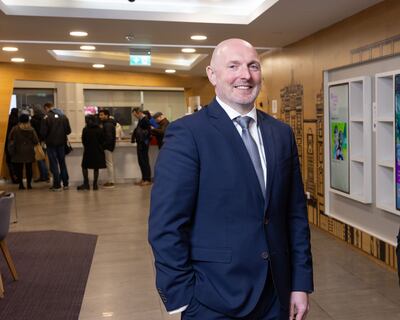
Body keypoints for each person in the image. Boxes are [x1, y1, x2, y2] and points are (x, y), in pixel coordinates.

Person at [148, 38, 313, 320]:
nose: (245, 75)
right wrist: (183, 298)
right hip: (212, 298)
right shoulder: (187, 134)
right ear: (212, 75)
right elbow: (167, 224)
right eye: (233, 66)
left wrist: (299, 283)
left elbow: (294, 215)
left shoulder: (281, 134)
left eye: (253, 66)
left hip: (276, 294)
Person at [41, 102, 71, 191]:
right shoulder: (63, 116)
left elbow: (43, 132)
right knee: (62, 163)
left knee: (54, 164)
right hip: (62, 144)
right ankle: (65, 184)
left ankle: (57, 185)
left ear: (46, 108)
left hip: (51, 145)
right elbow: (68, 131)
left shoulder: (46, 117)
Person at [8, 114, 39, 190]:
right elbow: (36, 141)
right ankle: (29, 185)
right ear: (28, 120)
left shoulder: (15, 128)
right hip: (29, 151)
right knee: (29, 168)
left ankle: (21, 185)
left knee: (19, 169)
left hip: (18, 151)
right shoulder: (31, 129)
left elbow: (10, 138)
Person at [77, 115, 106, 190]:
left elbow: (83, 141)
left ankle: (86, 184)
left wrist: (87, 146)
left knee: (84, 166)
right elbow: (103, 140)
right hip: (97, 150)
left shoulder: (85, 129)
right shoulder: (99, 129)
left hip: (88, 150)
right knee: (96, 167)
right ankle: (95, 185)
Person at [131, 107, 152, 186]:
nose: (135, 116)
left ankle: (147, 179)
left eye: (135, 114)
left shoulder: (145, 120)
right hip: (140, 143)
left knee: (144, 161)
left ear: (139, 112)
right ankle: (143, 178)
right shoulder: (141, 120)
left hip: (144, 144)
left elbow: (149, 132)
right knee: (141, 161)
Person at [30, 105, 50, 182]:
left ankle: (45, 176)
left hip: (37, 141)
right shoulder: (45, 118)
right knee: (43, 158)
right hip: (45, 141)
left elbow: (33, 132)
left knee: (39, 159)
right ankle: (44, 175)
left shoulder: (33, 120)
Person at [98, 109, 116, 188]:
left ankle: (111, 182)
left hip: (107, 147)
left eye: (102, 115)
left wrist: (103, 145)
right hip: (108, 146)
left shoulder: (107, 124)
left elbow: (109, 138)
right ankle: (110, 181)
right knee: (109, 163)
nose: (100, 116)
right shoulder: (108, 123)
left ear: (106, 115)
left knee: (109, 164)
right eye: (100, 115)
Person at [5, 108, 19, 183]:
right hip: (17, 144)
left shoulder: (7, 120)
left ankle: (13, 177)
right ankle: (17, 177)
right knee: (17, 161)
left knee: (9, 161)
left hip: (7, 144)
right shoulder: (18, 121)